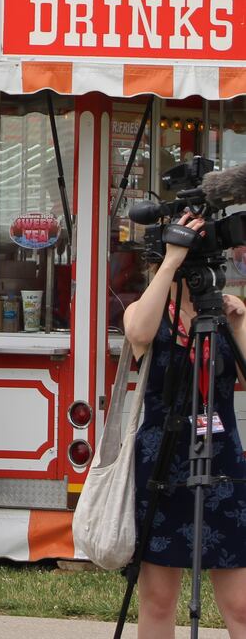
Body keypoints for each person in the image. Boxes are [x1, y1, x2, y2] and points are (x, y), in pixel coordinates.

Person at [122, 213, 246, 638]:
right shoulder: (150, 313)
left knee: (242, 604)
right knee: (158, 601)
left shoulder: (223, 317)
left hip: (223, 463)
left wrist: (240, 322)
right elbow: (137, 331)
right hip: (163, 467)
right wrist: (172, 262)